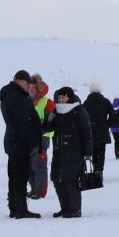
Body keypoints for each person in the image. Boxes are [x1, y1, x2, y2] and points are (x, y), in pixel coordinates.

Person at [0, 71, 43, 219]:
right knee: (20, 177)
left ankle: (14, 207)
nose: (29, 86)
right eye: (27, 82)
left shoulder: (10, 95)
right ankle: (20, 209)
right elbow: (23, 123)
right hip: (20, 143)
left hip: (14, 141)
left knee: (14, 177)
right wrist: (32, 142)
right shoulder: (16, 97)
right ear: (18, 81)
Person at [49, 86, 90, 217]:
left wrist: (88, 152)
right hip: (59, 151)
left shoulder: (79, 110)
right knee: (57, 180)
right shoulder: (57, 111)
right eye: (59, 97)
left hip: (74, 151)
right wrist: (50, 119)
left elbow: (86, 132)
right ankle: (65, 208)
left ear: (69, 97)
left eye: (63, 97)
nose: (61, 100)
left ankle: (75, 209)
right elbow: (47, 129)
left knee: (70, 181)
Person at [82, 83, 112, 186]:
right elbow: (112, 115)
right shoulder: (105, 101)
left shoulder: (86, 102)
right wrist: (107, 125)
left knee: (93, 152)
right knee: (101, 153)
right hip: (102, 132)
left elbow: (82, 117)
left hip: (91, 132)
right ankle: (100, 171)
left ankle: (95, 170)